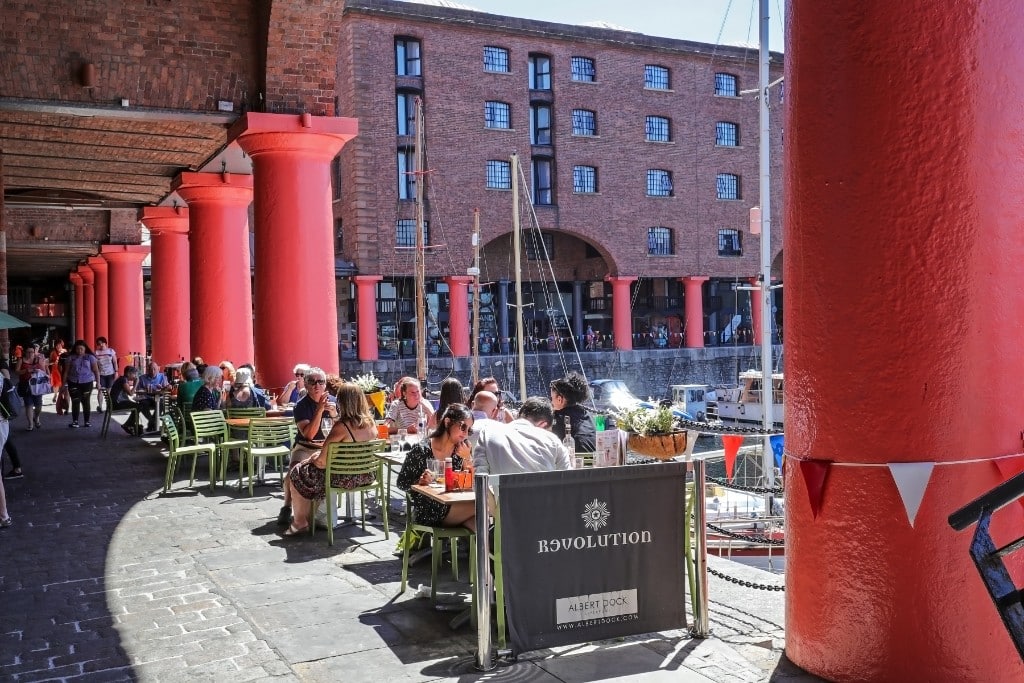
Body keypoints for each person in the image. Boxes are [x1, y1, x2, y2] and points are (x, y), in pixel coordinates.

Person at [283, 383, 377, 536]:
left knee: (297, 472)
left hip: (343, 477)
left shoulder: (342, 427)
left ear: (343, 402)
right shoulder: (371, 424)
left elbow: (322, 462)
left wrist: (312, 459)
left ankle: (300, 521)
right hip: (366, 475)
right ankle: (315, 516)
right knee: (309, 471)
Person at [396, 403, 476, 532]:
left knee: (476, 523)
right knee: (482, 508)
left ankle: (481, 551)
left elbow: (469, 484)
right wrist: (420, 482)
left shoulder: (461, 451)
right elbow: (401, 483)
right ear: (447, 422)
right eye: (463, 427)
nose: (465, 434)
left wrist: (467, 458)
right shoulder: (422, 450)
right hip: (429, 510)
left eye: (469, 430)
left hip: (453, 504)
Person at [278, 367, 337, 526]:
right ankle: (286, 507)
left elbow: (342, 428)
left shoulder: (334, 401)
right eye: (312, 382)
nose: (317, 385)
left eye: (321, 382)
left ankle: (323, 513)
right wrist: (318, 411)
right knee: (293, 470)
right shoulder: (301, 405)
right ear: (306, 384)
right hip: (305, 446)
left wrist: (335, 415)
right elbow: (309, 434)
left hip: (327, 447)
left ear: (325, 384)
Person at [472, 396, 573, 477]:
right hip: (546, 501)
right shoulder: (553, 441)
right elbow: (568, 479)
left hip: (504, 501)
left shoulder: (487, 434)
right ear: (542, 424)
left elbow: (480, 480)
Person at [549, 371, 597, 452]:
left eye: (552, 399)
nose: (551, 403)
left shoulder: (557, 418)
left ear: (560, 399)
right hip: (595, 461)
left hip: (575, 462)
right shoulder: (588, 415)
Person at [63, 340, 100, 429]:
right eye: (78, 349)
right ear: (75, 349)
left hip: (87, 382)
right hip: (73, 381)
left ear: (85, 349)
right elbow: (66, 372)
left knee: (86, 401)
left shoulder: (90, 357)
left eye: (81, 349)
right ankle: (75, 421)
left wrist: (98, 383)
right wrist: (63, 384)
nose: (80, 351)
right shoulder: (71, 358)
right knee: (75, 401)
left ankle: (87, 421)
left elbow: (96, 371)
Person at [110, 366, 154, 435]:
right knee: (139, 406)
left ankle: (130, 424)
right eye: (134, 374)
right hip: (117, 403)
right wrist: (136, 382)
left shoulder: (123, 379)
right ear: (128, 374)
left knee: (138, 406)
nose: (135, 376)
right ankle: (129, 424)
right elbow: (131, 393)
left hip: (116, 402)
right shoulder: (123, 380)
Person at [15, 344, 47, 431]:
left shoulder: (38, 359)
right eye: (28, 352)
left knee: (38, 405)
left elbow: (44, 371)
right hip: (26, 385)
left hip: (37, 385)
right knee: (28, 405)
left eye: (32, 352)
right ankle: (30, 424)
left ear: (34, 352)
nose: (30, 354)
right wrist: (26, 370)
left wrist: (39, 369)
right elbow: (17, 372)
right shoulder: (21, 360)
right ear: (25, 352)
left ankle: (36, 418)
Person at [0, 362, 23, 479]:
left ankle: (17, 467)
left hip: (2, 414)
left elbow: (6, 387)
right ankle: (17, 467)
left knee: (7, 440)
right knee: (7, 440)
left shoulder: (2, 366)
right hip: (3, 414)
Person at [94, 337, 117, 412]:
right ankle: (100, 406)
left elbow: (115, 362)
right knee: (100, 390)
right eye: (99, 344)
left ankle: (108, 406)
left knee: (108, 391)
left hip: (110, 373)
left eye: (102, 343)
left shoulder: (111, 351)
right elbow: (95, 365)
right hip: (101, 374)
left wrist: (116, 371)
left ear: (105, 343)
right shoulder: (96, 353)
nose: (100, 345)